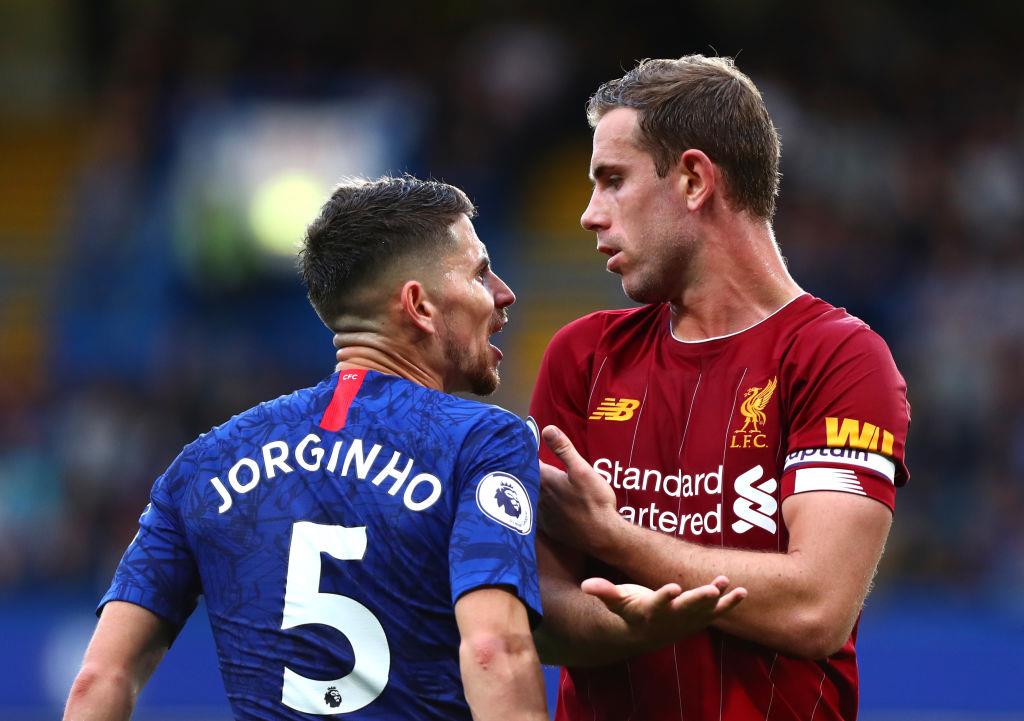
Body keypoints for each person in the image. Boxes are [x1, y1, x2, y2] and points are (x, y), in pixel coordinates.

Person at [63, 176, 550, 721]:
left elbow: (99, 678)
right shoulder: (483, 441)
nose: (503, 293)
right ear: (419, 305)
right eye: (481, 273)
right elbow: (492, 650)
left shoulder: (202, 465)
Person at [528, 55, 912, 721]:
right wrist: (636, 629)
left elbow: (817, 608)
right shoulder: (582, 356)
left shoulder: (840, 357)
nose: (590, 215)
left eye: (613, 181)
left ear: (694, 180)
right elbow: (537, 606)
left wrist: (615, 538)